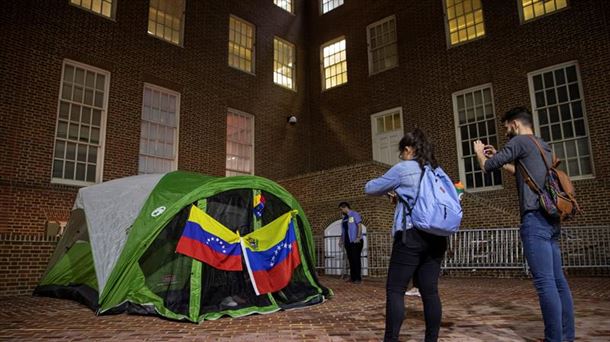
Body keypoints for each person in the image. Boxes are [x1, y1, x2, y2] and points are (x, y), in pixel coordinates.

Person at [473, 106, 575, 342]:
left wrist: (480, 152)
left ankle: (554, 339)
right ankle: (566, 336)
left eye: (507, 126)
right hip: (551, 221)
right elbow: (522, 173)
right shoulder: (541, 144)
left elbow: (486, 167)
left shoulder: (519, 141)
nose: (507, 131)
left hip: (534, 220)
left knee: (545, 283)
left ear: (515, 124)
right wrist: (499, 154)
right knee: (559, 281)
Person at [365, 128, 447, 342]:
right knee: (430, 293)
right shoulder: (437, 170)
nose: (401, 156)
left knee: (395, 289)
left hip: (411, 235)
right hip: (437, 237)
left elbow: (371, 188)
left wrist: (393, 188)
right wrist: (401, 197)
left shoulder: (404, 169)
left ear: (409, 149)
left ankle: (390, 339)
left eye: (402, 152)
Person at [338, 202, 364, 284]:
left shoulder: (354, 214)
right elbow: (344, 230)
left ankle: (358, 278)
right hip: (348, 242)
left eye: (341, 209)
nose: (341, 211)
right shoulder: (345, 218)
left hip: (355, 241)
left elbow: (359, 225)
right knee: (351, 260)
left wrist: (358, 237)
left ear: (345, 207)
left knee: (356, 259)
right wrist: (341, 240)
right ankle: (352, 277)